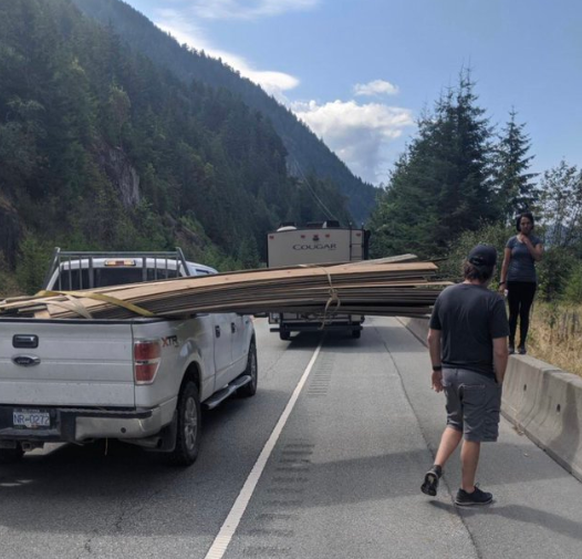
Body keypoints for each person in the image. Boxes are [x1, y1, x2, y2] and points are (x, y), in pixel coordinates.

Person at [421, 244, 509, 506]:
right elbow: (501, 350)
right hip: (478, 377)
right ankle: (467, 491)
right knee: (472, 433)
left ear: (467, 265)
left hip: (449, 373)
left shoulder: (446, 295)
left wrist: (437, 369)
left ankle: (436, 468)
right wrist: (499, 379)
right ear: (492, 270)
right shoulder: (493, 301)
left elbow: (431, 337)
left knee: (454, 423)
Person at [498, 212, 543, 355]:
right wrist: (502, 282)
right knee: (513, 313)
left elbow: (538, 257)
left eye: (528, 223)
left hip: (529, 282)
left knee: (524, 313)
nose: (525, 226)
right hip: (513, 280)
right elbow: (506, 262)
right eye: (523, 223)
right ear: (519, 225)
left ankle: (522, 344)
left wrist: (528, 243)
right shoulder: (512, 241)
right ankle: (510, 343)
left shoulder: (536, 241)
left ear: (532, 224)